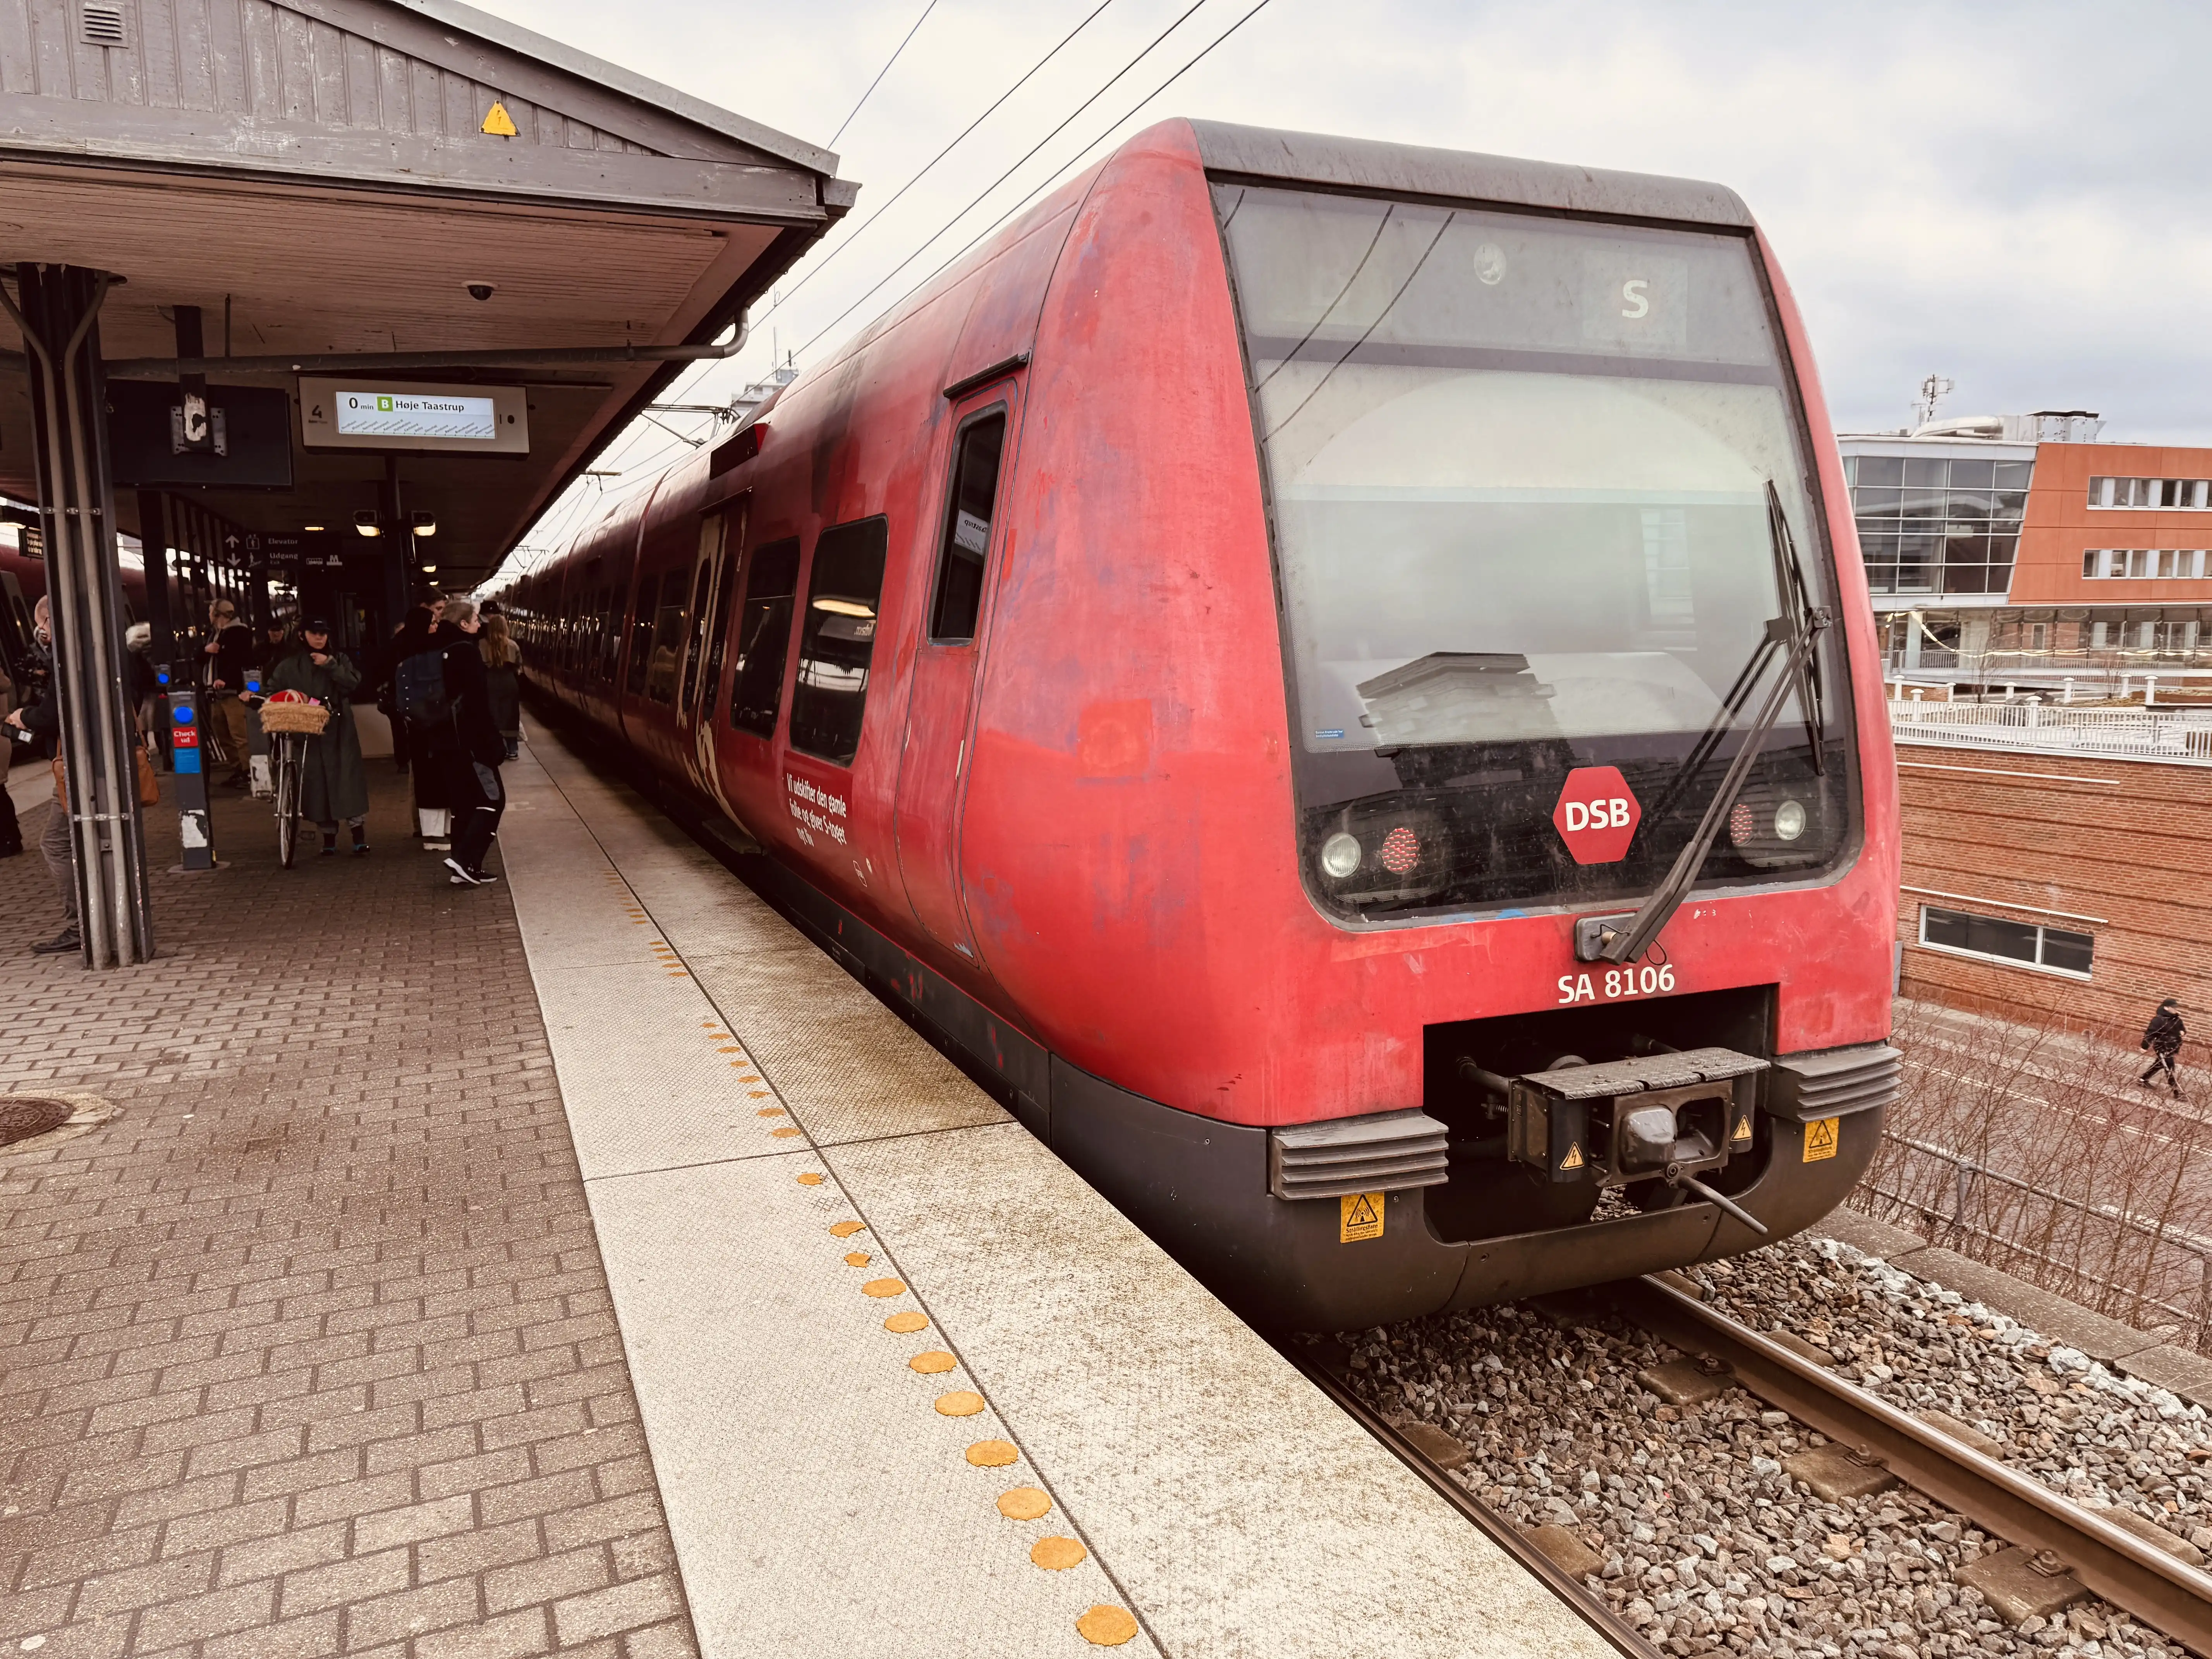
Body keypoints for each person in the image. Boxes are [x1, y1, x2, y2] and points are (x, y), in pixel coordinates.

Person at [265, 618, 370, 856]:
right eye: (315, 633)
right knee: (316, 783)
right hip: (307, 733)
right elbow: (272, 690)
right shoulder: (289, 665)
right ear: (303, 635)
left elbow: (353, 683)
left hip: (339, 729)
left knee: (347, 780)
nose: (320, 638)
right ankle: (328, 839)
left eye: (324, 633)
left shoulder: (339, 659)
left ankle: (358, 836)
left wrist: (331, 665)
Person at [8, 597, 76, 953]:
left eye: (42, 626)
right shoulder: (86, 648)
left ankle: (80, 923)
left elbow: (52, 714)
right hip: (90, 762)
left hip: (76, 766)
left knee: (54, 842)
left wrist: (24, 718)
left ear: (50, 621)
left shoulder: (68, 657)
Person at [432, 598, 506, 886]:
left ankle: (465, 870)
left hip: (445, 739)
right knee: (492, 799)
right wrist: (492, 741)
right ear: (464, 624)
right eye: (475, 619)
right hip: (471, 741)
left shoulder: (437, 647)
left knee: (464, 803)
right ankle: (464, 860)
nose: (480, 623)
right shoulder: (466, 652)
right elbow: (477, 704)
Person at [386, 603, 452, 848]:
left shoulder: (400, 646)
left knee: (427, 775)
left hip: (415, 721)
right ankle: (434, 834)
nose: (436, 627)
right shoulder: (428, 652)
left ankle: (432, 830)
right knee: (431, 776)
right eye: (433, 623)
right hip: (430, 721)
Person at [201, 599, 256, 788]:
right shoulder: (214, 635)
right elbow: (198, 656)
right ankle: (238, 768)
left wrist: (229, 680)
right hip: (217, 693)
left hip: (232, 693)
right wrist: (206, 651)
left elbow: (244, 661)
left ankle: (248, 772)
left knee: (238, 734)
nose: (209, 615)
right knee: (222, 732)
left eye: (211, 611)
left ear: (218, 615)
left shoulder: (239, 633)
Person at [480, 611, 522, 761]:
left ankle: (497, 747)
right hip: (509, 682)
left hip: (489, 682)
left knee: (492, 714)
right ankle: (513, 749)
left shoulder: (481, 644)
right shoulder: (513, 645)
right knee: (510, 716)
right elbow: (518, 666)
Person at [2141, 998, 2186, 1098]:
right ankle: (2177, 1091)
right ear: (2167, 1008)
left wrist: (2182, 1032)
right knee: (2169, 1067)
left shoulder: (2177, 1019)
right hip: (2162, 1047)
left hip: (2173, 1046)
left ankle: (2143, 1080)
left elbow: (2182, 1028)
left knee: (2160, 1064)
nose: (2176, 1010)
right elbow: (2150, 1033)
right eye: (2174, 1008)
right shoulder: (2158, 1020)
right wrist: (2145, 1046)